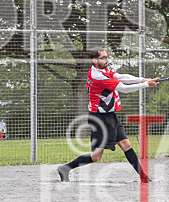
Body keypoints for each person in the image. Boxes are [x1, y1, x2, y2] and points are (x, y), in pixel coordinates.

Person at [57, 48, 158, 182]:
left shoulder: (103, 70)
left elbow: (121, 77)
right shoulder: (98, 76)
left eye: (106, 57)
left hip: (110, 116)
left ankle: (143, 177)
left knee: (126, 144)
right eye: (103, 58)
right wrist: (145, 85)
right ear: (94, 60)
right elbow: (123, 88)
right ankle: (65, 168)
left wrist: (143, 79)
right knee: (96, 156)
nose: (107, 60)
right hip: (99, 118)